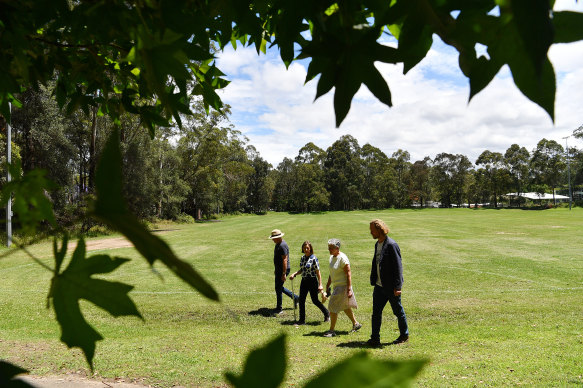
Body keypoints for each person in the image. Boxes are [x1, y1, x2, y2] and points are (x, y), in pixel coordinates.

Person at [367, 219, 409, 347]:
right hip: (379, 286)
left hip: (391, 287)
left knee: (398, 311)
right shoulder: (377, 244)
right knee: (376, 313)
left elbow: (398, 267)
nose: (370, 232)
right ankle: (375, 338)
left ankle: (404, 335)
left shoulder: (391, 245)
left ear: (379, 230)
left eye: (372, 230)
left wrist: (398, 287)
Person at [322, 238, 361, 337]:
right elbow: (332, 273)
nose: (329, 250)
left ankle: (331, 331)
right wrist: (327, 285)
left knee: (332, 307)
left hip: (342, 287)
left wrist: (348, 289)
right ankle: (356, 324)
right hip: (336, 286)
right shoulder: (332, 258)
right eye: (328, 247)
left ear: (337, 248)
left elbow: (348, 274)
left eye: (331, 248)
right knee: (345, 306)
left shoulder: (342, 258)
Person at [289, 241, 330, 324]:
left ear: (310, 248)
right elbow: (302, 269)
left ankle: (327, 313)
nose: (306, 249)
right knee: (301, 300)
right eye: (304, 248)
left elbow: (318, 272)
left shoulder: (313, 258)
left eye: (307, 248)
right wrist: (295, 273)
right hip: (304, 281)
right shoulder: (303, 258)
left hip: (312, 281)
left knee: (315, 300)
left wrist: (320, 284)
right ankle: (302, 320)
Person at [269, 229, 299, 315]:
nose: (272, 240)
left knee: (278, 288)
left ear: (278, 238)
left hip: (283, 270)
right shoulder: (278, 244)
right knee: (279, 287)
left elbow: (285, 260)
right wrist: (276, 269)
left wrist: (283, 273)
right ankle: (295, 298)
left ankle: (279, 308)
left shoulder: (282, 246)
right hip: (279, 270)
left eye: (273, 238)